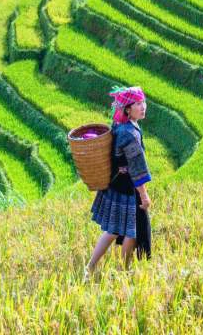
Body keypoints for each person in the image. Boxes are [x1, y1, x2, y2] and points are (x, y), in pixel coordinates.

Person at [86, 86, 152, 275]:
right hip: (126, 188)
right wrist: (144, 196)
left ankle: (98, 267)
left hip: (117, 184)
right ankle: (117, 269)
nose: (143, 106)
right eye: (138, 103)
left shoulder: (121, 125)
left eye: (143, 102)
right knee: (126, 230)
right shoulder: (130, 133)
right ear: (128, 109)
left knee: (118, 229)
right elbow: (137, 168)